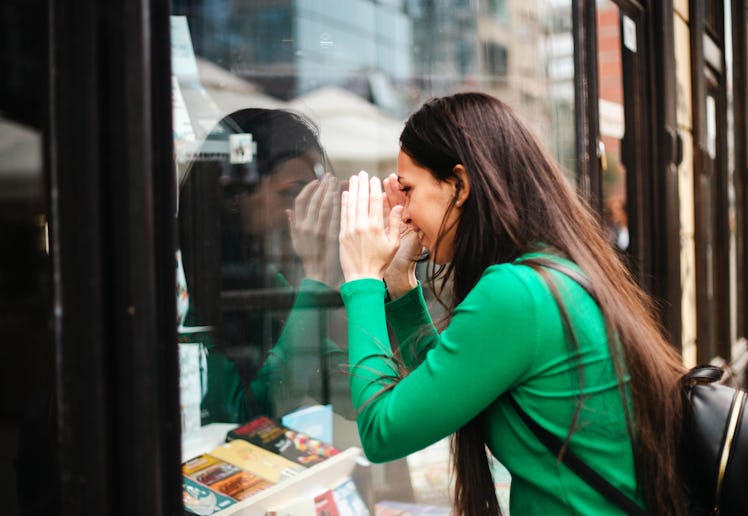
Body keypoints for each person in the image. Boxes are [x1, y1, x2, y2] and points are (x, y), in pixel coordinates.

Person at [337, 92, 687, 515]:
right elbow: (456, 386)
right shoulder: (548, 273)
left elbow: (381, 431)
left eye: (408, 190)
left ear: (460, 186)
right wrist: (397, 281)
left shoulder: (516, 293)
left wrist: (361, 278)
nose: (405, 213)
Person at [179, 108, 344, 423]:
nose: (305, 213)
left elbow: (349, 387)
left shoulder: (264, 278)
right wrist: (317, 275)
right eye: (293, 193)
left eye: (313, 198)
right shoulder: (182, 284)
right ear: (236, 194)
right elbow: (247, 411)